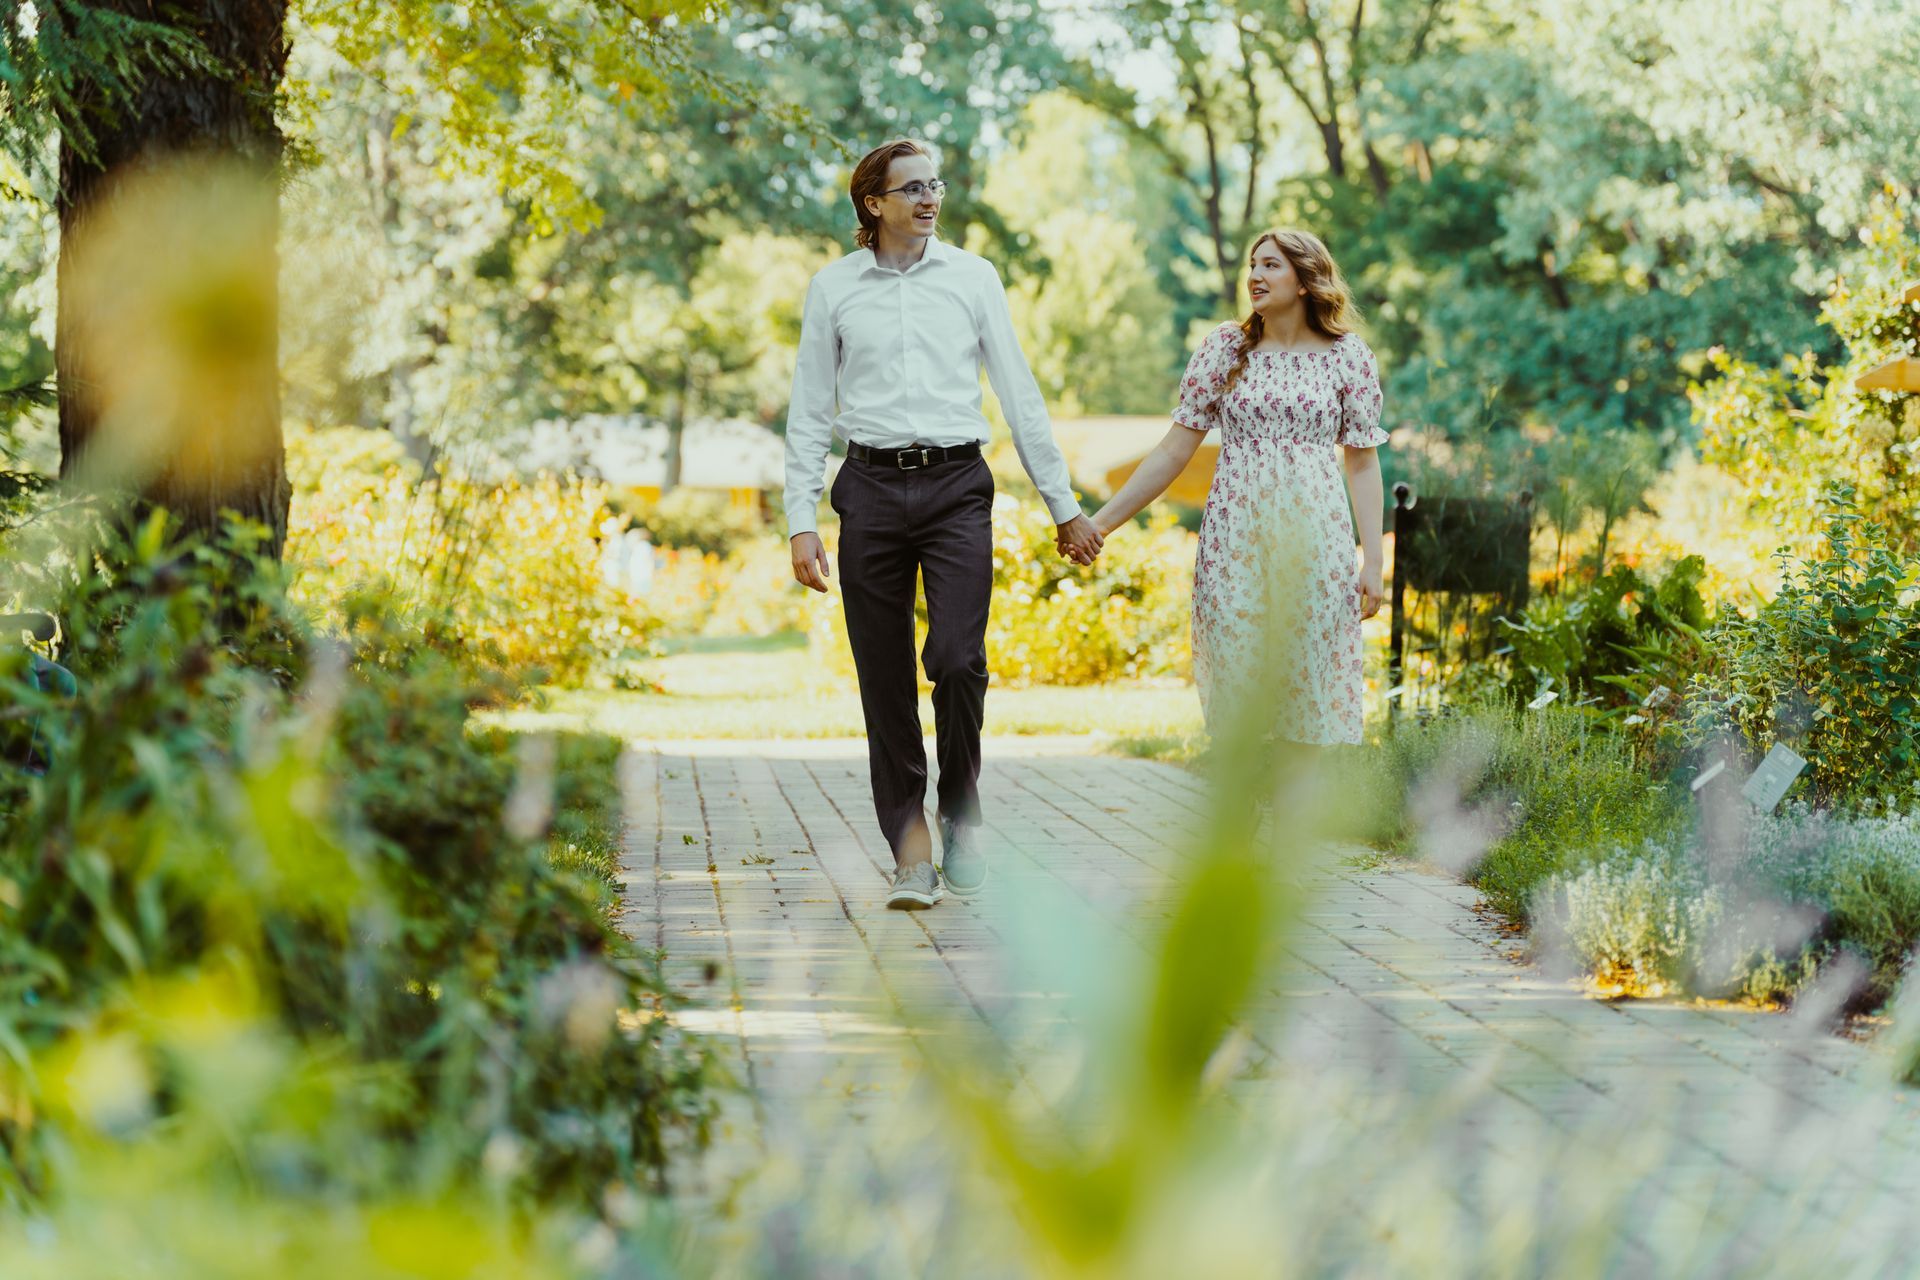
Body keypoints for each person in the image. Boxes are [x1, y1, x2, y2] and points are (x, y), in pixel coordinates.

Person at [784, 138, 1104, 910]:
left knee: (958, 659)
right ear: (874, 203)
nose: (931, 199)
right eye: (914, 188)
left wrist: (1063, 504)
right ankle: (912, 853)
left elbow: (1020, 397)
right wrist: (801, 520)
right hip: (868, 486)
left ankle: (960, 815)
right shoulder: (834, 289)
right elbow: (807, 412)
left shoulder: (973, 278)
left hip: (959, 484)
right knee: (884, 678)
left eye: (937, 185)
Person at [1090, 228, 1386, 752]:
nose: (1254, 275)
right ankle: (1244, 813)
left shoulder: (1348, 356)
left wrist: (1372, 564)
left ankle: (1292, 824)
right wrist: (1101, 523)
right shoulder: (1227, 349)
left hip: (1314, 544)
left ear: (1304, 279)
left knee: (1307, 684)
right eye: (1253, 265)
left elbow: (1362, 463)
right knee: (1236, 683)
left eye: (1271, 265)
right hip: (1235, 543)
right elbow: (1172, 452)